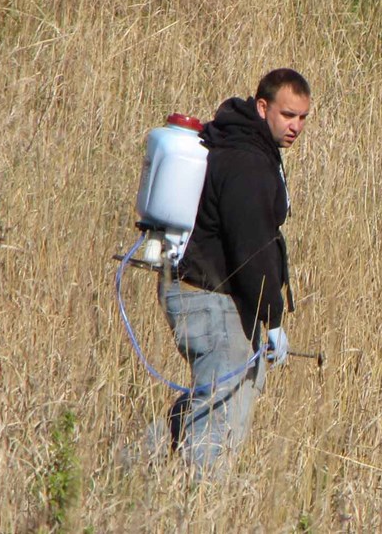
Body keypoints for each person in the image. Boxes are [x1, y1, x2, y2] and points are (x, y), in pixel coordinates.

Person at [148, 68, 311, 478]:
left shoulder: (236, 142)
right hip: (213, 300)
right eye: (288, 114)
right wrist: (272, 319)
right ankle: (201, 506)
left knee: (207, 402)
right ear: (262, 107)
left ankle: (128, 468)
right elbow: (251, 251)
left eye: (303, 118)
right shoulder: (248, 164)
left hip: (197, 293)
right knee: (220, 423)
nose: (296, 126)